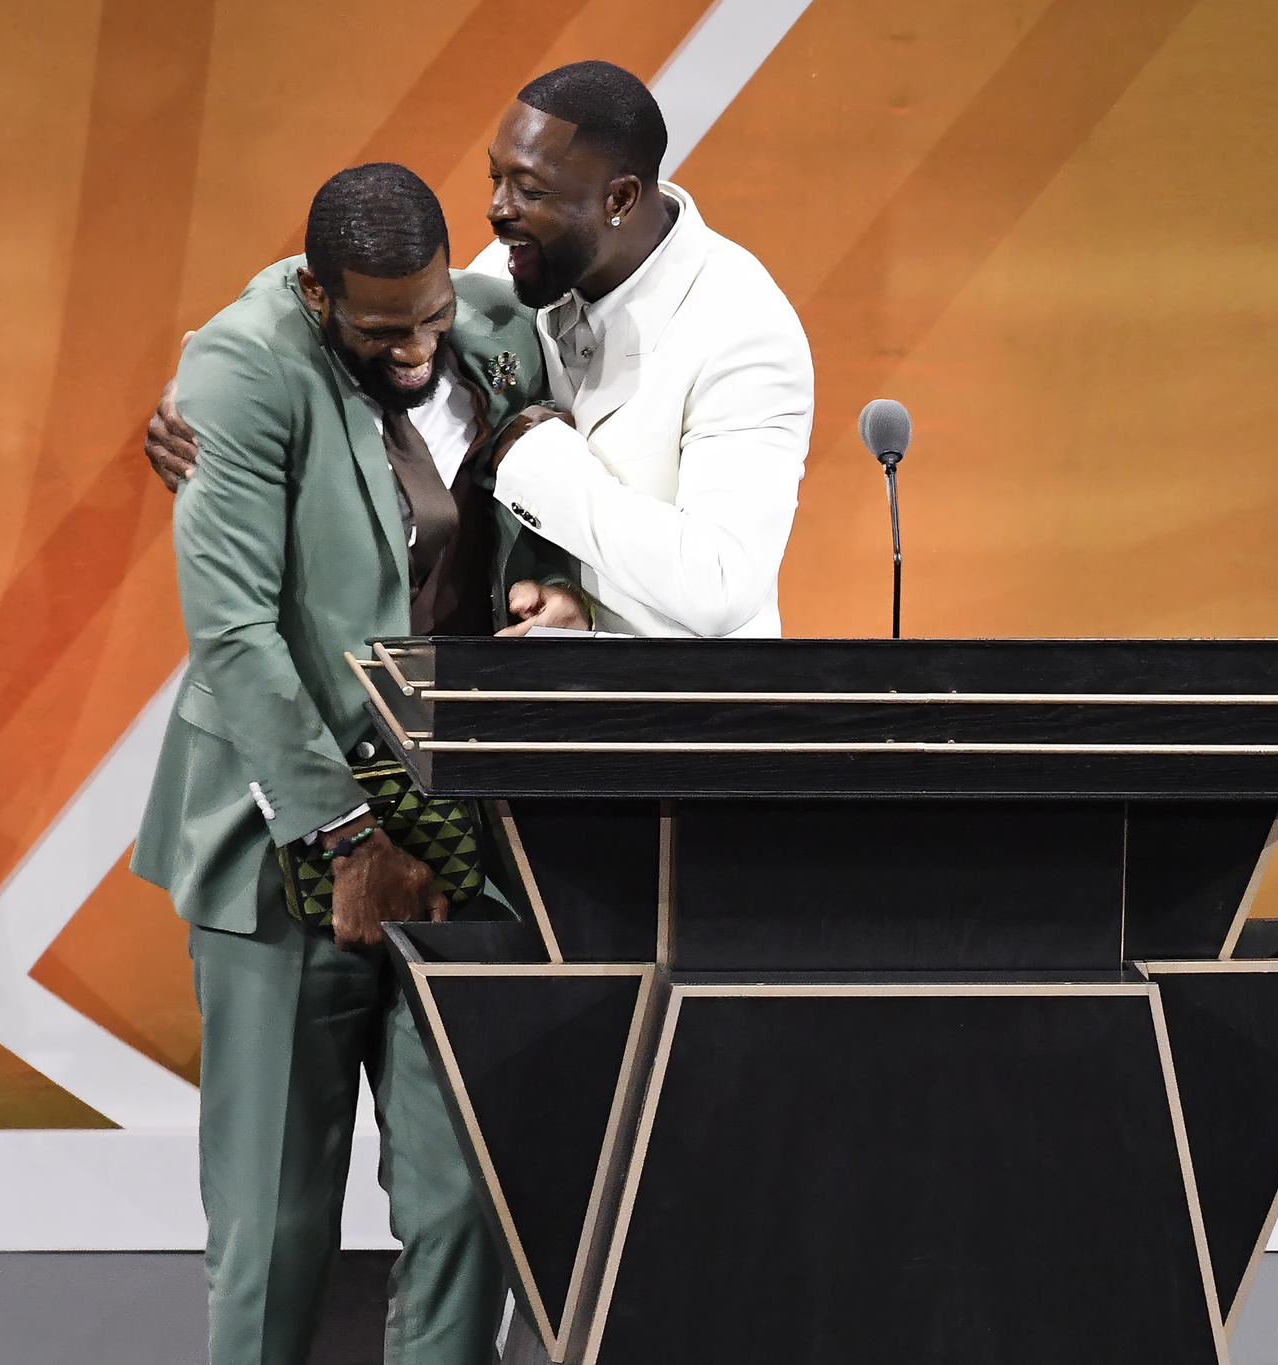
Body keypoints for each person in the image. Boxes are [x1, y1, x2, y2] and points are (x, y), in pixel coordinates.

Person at [130, 163, 576, 1365]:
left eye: (430, 313)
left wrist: (558, 591)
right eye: (384, 330)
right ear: (319, 296)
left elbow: (539, 513)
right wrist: (342, 839)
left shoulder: (493, 335)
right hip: (285, 845)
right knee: (274, 1224)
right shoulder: (243, 367)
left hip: (464, 840)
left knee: (467, 1204)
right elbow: (230, 636)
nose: (418, 346)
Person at [144, 61, 814, 640]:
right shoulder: (511, 272)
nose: (496, 209)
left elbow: (722, 586)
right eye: (495, 177)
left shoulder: (744, 331)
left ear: (619, 198)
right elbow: (345, 293)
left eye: (530, 189)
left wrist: (535, 459)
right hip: (522, 733)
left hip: (676, 746)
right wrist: (219, 373)